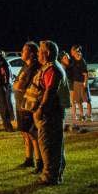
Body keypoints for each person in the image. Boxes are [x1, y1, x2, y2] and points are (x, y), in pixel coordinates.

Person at [33, 40, 68, 185]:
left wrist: (41, 109)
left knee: (48, 144)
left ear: (46, 53)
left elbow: (50, 91)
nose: (37, 53)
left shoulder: (52, 69)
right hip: (50, 111)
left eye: (39, 50)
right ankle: (55, 174)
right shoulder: (49, 67)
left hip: (50, 112)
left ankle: (50, 176)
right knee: (55, 144)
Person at [14, 41, 41, 170]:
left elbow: (19, 85)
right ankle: (28, 159)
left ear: (31, 54)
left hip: (28, 105)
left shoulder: (33, 68)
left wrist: (18, 83)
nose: (21, 52)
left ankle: (39, 161)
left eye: (24, 50)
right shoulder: (25, 66)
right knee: (24, 133)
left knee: (32, 133)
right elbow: (16, 84)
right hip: (20, 104)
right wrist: (17, 83)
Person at [67, 46, 92, 124]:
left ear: (76, 51)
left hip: (83, 83)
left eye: (73, 51)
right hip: (76, 83)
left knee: (87, 100)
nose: (72, 52)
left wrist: (85, 83)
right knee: (78, 101)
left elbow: (86, 74)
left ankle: (89, 116)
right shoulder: (73, 60)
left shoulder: (82, 61)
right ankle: (82, 115)